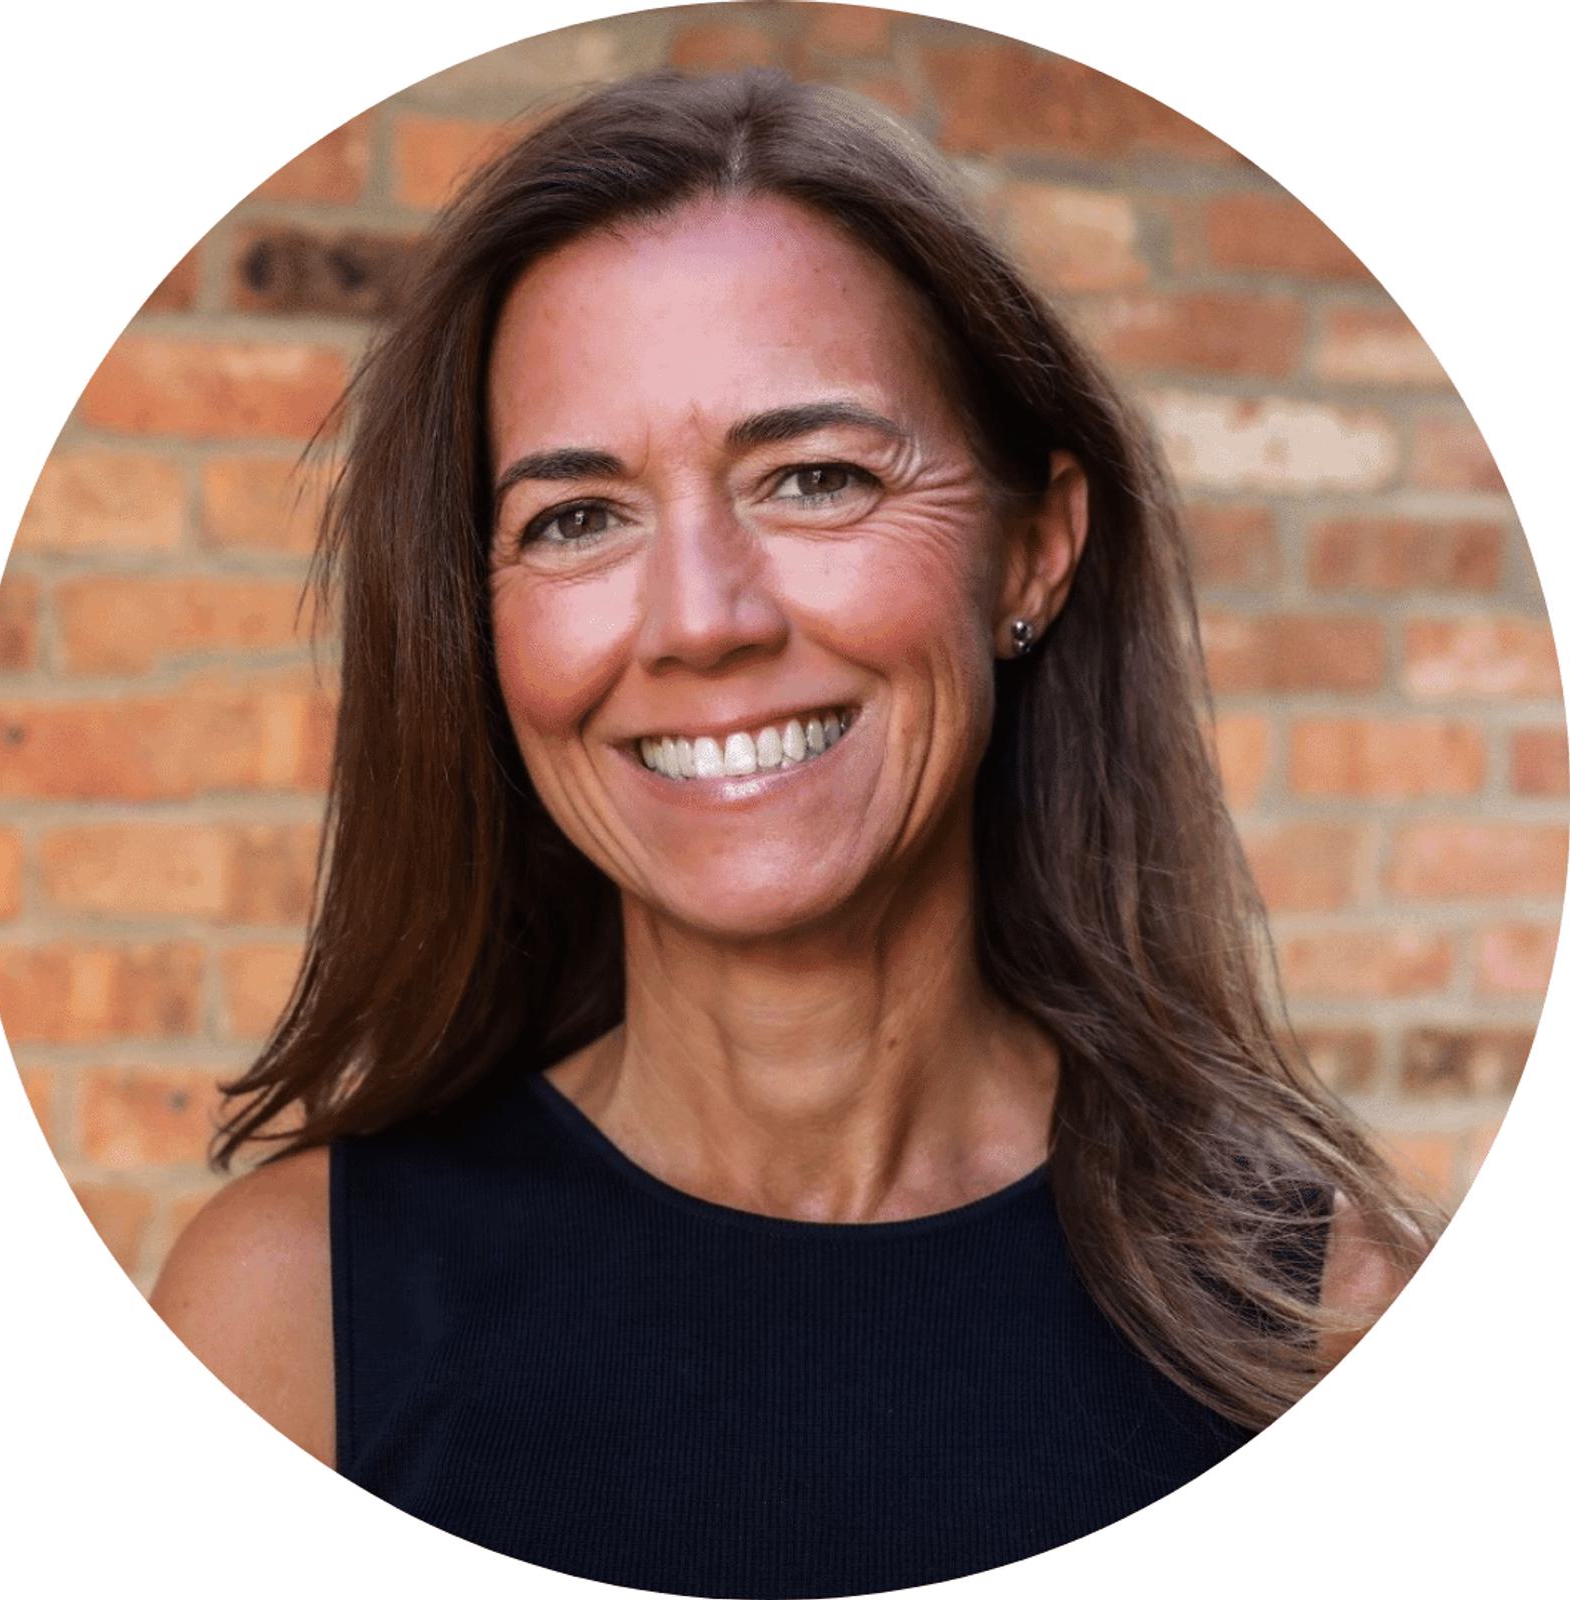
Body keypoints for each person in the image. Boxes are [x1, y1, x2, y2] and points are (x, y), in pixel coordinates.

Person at [151, 65, 1441, 1596]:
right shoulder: (288, 1331)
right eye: (577, 517)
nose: (700, 621)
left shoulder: (1326, 1322)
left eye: (814, 479)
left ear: (1034, 550)